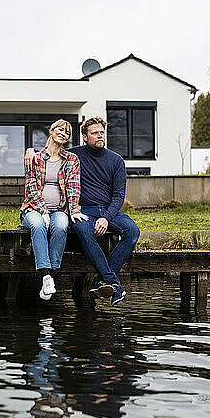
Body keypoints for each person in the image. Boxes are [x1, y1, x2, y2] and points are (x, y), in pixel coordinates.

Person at [25, 117, 140, 305]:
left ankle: (103, 280)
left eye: (102, 132)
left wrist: (106, 218)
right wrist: (30, 151)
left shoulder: (116, 160)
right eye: (95, 133)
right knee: (85, 231)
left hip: (108, 211)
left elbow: (119, 196)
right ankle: (113, 283)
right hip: (83, 210)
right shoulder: (73, 156)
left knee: (133, 231)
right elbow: (50, 153)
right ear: (85, 137)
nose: (99, 136)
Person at [20, 119, 88, 301]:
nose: (63, 133)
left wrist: (73, 210)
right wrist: (42, 211)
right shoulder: (35, 157)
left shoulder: (72, 160)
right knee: (38, 225)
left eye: (67, 132)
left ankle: (51, 274)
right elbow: (31, 187)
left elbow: (74, 188)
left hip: (59, 209)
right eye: (60, 129)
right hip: (33, 208)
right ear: (51, 131)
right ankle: (46, 275)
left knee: (61, 225)